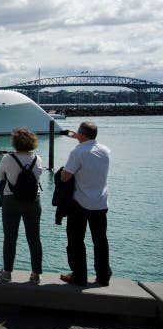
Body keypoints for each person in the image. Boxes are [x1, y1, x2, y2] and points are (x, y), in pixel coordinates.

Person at [59, 121, 111, 286]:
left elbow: (65, 177)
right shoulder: (105, 150)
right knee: (100, 241)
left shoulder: (78, 152)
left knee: (76, 241)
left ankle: (79, 275)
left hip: (80, 203)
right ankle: (103, 276)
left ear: (81, 134)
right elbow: (89, 149)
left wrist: (62, 171)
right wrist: (80, 138)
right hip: (101, 202)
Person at [0, 127, 43, 284]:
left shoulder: (8, 158)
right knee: (34, 238)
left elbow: (0, 176)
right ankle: (36, 274)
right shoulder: (37, 159)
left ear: (15, 142)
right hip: (33, 201)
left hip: (11, 200)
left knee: (10, 237)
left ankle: (7, 272)